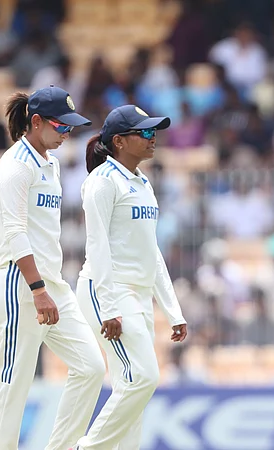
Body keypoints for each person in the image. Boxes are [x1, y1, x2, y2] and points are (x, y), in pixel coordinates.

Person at [0, 86, 105, 450]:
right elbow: (15, 233)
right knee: (13, 383)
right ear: (35, 122)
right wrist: (38, 290)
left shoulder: (50, 163)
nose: (66, 133)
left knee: (91, 368)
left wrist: (47, 287)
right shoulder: (13, 167)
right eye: (60, 126)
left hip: (52, 286)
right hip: (20, 285)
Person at [72, 105, 188, 449]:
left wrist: (173, 310)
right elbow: (97, 246)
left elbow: (150, 251)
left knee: (130, 391)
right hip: (107, 290)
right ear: (119, 141)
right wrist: (108, 306)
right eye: (146, 133)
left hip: (137, 295)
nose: (154, 139)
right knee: (144, 378)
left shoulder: (142, 183)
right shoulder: (102, 182)